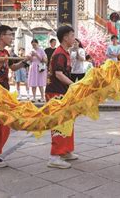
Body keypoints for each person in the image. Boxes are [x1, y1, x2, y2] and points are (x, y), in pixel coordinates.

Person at [0, 25, 28, 167]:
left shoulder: (5, 52)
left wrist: (25, 61)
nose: (11, 38)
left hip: (4, 92)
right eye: (9, 35)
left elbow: (12, 68)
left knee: (5, 125)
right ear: (2, 36)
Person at [45, 25, 78, 169]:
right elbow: (58, 74)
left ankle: (65, 151)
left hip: (63, 92)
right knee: (59, 123)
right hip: (55, 92)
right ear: (65, 37)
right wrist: (74, 85)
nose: (74, 38)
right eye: (72, 35)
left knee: (67, 122)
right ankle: (54, 156)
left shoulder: (66, 53)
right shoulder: (59, 54)